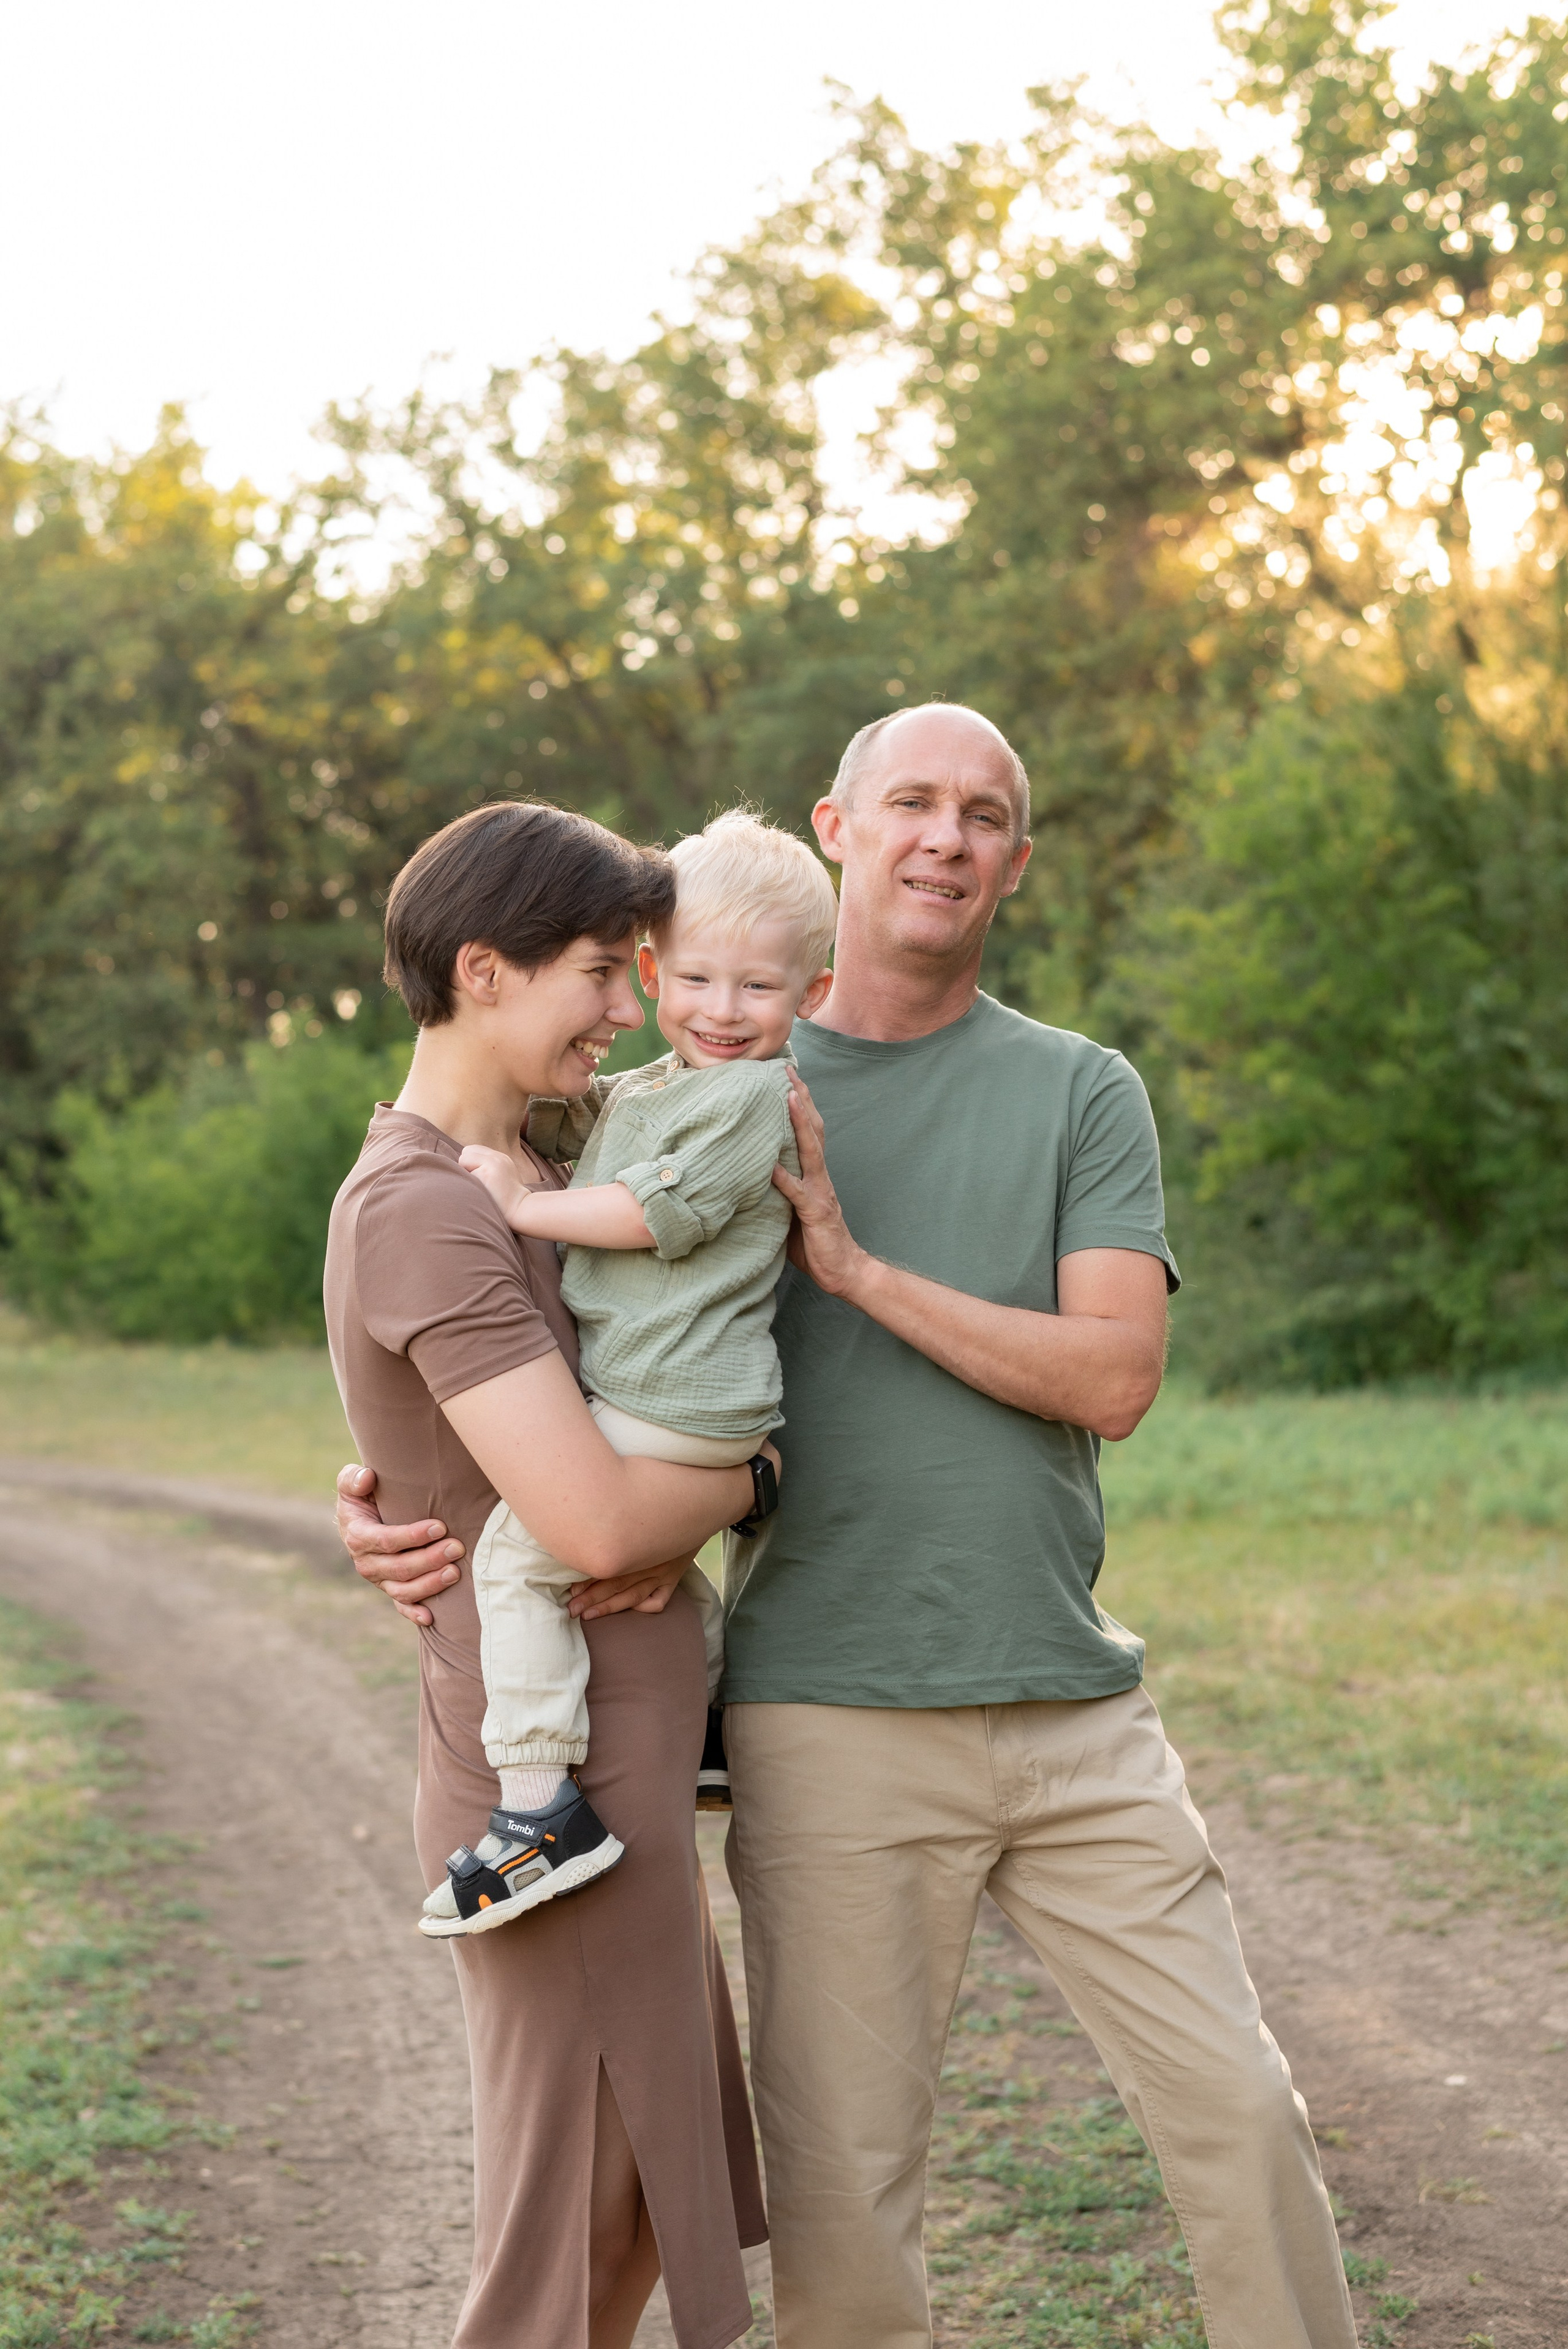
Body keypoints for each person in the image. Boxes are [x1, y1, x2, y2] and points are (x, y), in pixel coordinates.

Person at [339, 704, 1359, 2349]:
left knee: (1240, 2112)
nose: (946, 835)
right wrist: (390, 1505)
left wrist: (858, 1272)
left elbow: (1114, 1375)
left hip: (1073, 1703)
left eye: (985, 813)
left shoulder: (1077, 1089)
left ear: (1014, 861)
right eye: (913, 802)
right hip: (824, 1715)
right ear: (836, 826)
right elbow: (500, 1327)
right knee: (840, 2203)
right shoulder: (673, 1084)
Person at [323, 800, 766, 2349]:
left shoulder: (544, 1161)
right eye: (598, 969)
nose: (628, 1008)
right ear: (483, 968)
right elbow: (587, 1522)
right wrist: (755, 1475)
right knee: (559, 2240)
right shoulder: (425, 1205)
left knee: (635, 2198)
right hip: (550, 1790)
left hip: (625, 1750)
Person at [420, 809, 836, 1939]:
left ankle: (536, 1805)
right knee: (669, 1583)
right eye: (696, 979)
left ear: (811, 993)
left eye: (759, 988)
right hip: (663, 1396)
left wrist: (519, 1203)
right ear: (657, 975)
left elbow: (657, 1211)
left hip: (677, 1398)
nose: (722, 1010)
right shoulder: (661, 1085)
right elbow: (595, 1127)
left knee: (517, 1562)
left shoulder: (752, 1098)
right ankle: (715, 1733)